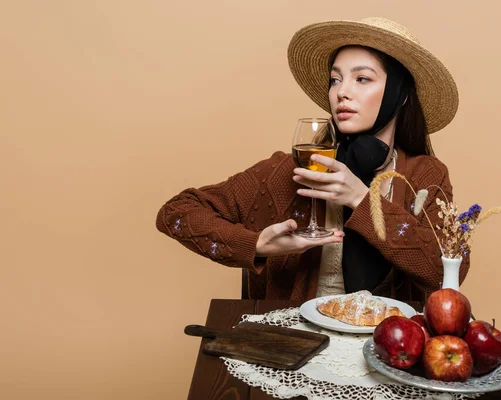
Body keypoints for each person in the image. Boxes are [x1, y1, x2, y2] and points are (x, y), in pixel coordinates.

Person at [155, 17, 470, 302]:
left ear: (400, 94)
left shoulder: (425, 175)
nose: (341, 93)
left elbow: (447, 271)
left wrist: (361, 198)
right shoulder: (290, 171)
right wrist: (255, 245)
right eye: (335, 80)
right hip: (298, 348)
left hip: (393, 348)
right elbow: (175, 213)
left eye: (362, 79)